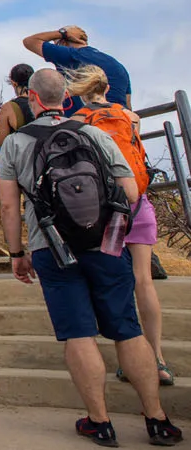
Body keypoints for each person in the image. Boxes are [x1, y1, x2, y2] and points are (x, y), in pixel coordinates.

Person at [0, 68, 180, 446]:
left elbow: (7, 206)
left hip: (52, 247)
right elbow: (130, 191)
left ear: (31, 98)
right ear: (66, 99)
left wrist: (17, 253)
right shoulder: (94, 133)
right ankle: (157, 419)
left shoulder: (16, 144)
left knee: (79, 334)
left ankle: (100, 422)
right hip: (106, 245)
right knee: (127, 330)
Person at [68, 66, 173, 387]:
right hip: (139, 204)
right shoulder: (131, 117)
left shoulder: (78, 122)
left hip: (105, 212)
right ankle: (157, 358)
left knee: (115, 282)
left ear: (80, 90)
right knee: (144, 281)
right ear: (107, 86)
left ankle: (128, 357)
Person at [22, 26, 131, 115]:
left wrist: (62, 33)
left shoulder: (71, 56)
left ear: (63, 43)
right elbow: (128, 105)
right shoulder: (118, 66)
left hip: (85, 131)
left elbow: (30, 41)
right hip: (119, 129)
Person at [0, 64, 36, 153]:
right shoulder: (45, 102)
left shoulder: (9, 107)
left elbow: (1, 141)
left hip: (23, 156)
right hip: (47, 156)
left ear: (14, 83)